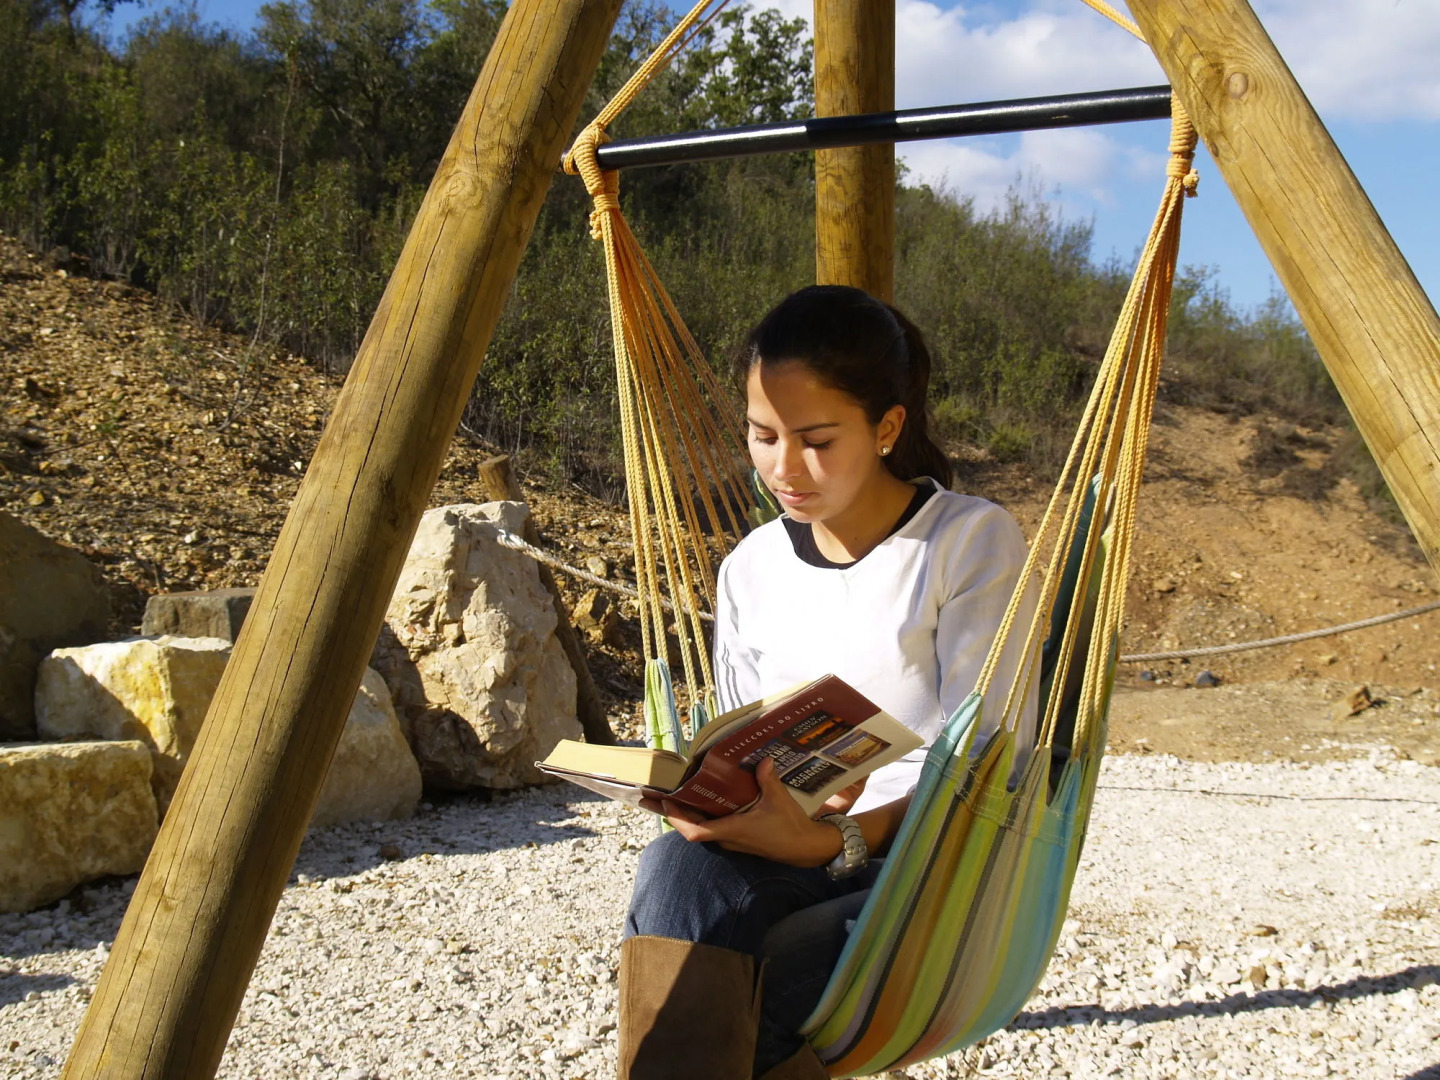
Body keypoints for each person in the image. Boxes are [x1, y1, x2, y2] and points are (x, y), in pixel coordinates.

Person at [618, 286, 1039, 1080]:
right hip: (784, 842)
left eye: (816, 439)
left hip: (922, 868)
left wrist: (836, 838)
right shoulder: (751, 567)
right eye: (762, 435)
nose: (784, 468)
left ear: (886, 428)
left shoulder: (966, 543)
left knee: (749, 989)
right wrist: (712, 803)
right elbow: (737, 732)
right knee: (675, 871)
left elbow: (989, 769)